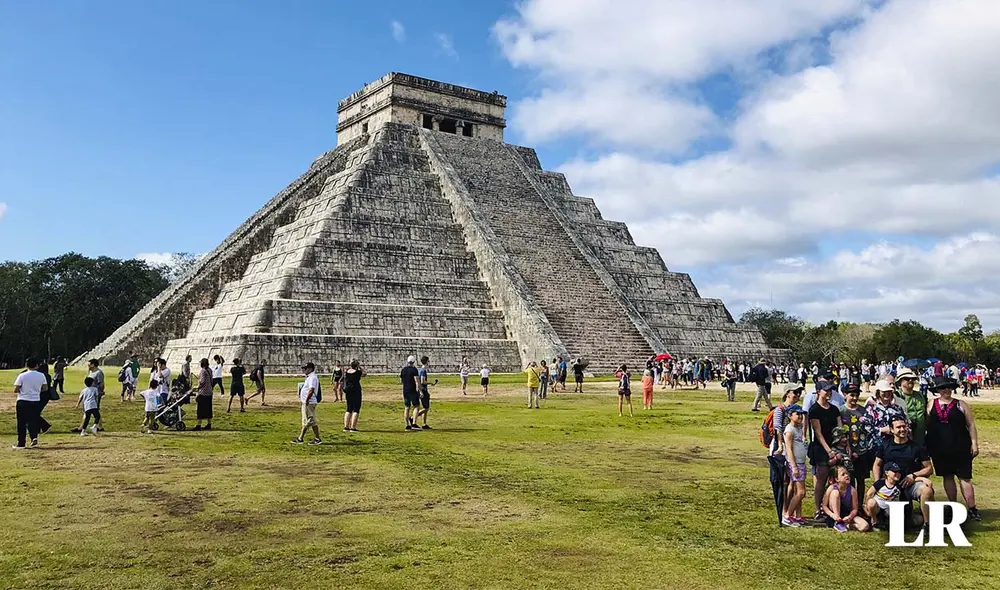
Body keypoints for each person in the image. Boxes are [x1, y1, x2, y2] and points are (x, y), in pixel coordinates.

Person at [925, 375, 981, 521]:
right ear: (938, 390)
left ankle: (972, 508)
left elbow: (970, 424)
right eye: (943, 387)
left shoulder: (961, 404)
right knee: (947, 476)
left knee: (965, 478)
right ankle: (953, 505)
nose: (946, 390)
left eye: (949, 387)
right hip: (940, 448)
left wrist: (974, 443)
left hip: (961, 447)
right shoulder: (931, 404)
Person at [872, 416, 935, 530]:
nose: (902, 429)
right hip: (890, 485)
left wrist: (914, 475)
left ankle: (928, 524)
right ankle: (878, 520)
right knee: (902, 523)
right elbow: (877, 464)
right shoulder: (885, 445)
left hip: (910, 483)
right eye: (898, 427)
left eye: (904, 426)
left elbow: (929, 468)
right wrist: (877, 483)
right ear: (891, 430)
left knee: (927, 491)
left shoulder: (917, 447)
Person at [808, 382, 841, 521]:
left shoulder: (834, 409)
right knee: (822, 478)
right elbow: (818, 433)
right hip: (821, 448)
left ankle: (834, 507)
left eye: (830, 390)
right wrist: (829, 451)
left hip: (835, 445)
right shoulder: (814, 410)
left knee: (837, 477)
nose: (829, 393)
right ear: (818, 391)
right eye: (826, 390)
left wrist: (840, 446)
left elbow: (840, 429)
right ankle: (818, 509)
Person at [840, 384, 872, 495]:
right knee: (848, 479)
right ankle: (850, 505)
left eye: (856, 395)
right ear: (845, 395)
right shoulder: (841, 411)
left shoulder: (863, 411)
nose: (854, 398)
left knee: (861, 479)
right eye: (851, 395)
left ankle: (859, 506)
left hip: (862, 450)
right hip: (847, 451)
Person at [782, 404, 808, 526]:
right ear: (790, 415)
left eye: (801, 414)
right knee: (801, 492)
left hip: (801, 462)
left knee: (799, 491)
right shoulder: (789, 431)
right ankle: (787, 515)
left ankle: (797, 516)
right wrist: (794, 467)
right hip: (796, 464)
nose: (800, 416)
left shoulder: (799, 428)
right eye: (797, 414)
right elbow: (789, 450)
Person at [12, 358, 47, 449]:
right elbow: (45, 388)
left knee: (21, 422)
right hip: (35, 400)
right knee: (33, 420)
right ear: (36, 365)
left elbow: (16, 389)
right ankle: (34, 437)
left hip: (23, 400)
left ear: (26, 365)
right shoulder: (41, 375)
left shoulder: (22, 375)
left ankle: (21, 443)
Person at [823, 465, 869, 532]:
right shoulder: (832, 488)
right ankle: (837, 522)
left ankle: (847, 525)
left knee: (865, 526)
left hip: (847, 514)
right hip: (834, 515)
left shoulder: (852, 490)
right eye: (843, 474)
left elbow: (855, 509)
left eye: (847, 473)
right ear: (837, 479)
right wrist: (833, 515)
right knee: (835, 493)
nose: (846, 476)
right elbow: (824, 506)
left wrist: (849, 517)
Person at [864, 462, 904, 531]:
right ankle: (874, 521)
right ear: (886, 472)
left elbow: (913, 480)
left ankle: (888, 522)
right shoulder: (880, 483)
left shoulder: (900, 484)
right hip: (878, 508)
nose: (897, 474)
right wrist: (867, 507)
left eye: (899, 472)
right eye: (894, 471)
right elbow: (869, 494)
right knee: (871, 502)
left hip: (890, 509)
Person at [895, 368, 927, 447]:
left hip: (920, 436)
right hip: (904, 436)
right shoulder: (896, 396)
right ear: (900, 381)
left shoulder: (920, 395)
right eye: (906, 379)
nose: (910, 380)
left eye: (912, 379)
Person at [293, 362, 322, 444]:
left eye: (305, 369)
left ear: (310, 369)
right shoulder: (309, 377)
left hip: (309, 402)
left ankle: (301, 438)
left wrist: (306, 400)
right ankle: (316, 438)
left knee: (308, 420)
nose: (303, 370)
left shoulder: (312, 378)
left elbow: (311, 390)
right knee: (311, 420)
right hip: (308, 401)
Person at [342, 360, 366, 432]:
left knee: (349, 409)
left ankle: (346, 427)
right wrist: (360, 367)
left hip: (348, 391)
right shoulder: (358, 372)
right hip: (356, 391)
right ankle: (353, 427)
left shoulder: (347, 372)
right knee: (356, 409)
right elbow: (364, 374)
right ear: (357, 366)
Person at [193, 358, 214, 431]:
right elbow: (211, 380)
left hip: (203, 393)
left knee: (200, 409)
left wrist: (197, 387)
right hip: (209, 392)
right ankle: (209, 424)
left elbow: (202, 382)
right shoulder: (210, 370)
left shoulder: (203, 371)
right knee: (209, 408)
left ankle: (199, 424)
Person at [401, 356, 421, 430]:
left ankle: (407, 425)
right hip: (412, 390)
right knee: (416, 406)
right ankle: (414, 423)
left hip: (405, 390)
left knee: (407, 407)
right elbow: (416, 380)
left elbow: (401, 381)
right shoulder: (414, 370)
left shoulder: (403, 370)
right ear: (414, 362)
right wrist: (420, 390)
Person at [87, 358, 106, 431]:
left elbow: (101, 384)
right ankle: (100, 426)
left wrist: (100, 392)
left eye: (89, 364)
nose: (88, 365)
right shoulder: (91, 372)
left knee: (94, 409)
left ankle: (82, 427)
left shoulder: (98, 373)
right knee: (92, 409)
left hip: (95, 394)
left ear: (93, 365)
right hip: (90, 393)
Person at [414, 356, 433, 429]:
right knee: (426, 408)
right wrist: (430, 383)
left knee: (426, 407)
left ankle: (424, 423)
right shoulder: (423, 370)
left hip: (420, 390)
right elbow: (422, 381)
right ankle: (413, 417)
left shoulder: (419, 370)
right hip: (423, 390)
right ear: (427, 362)